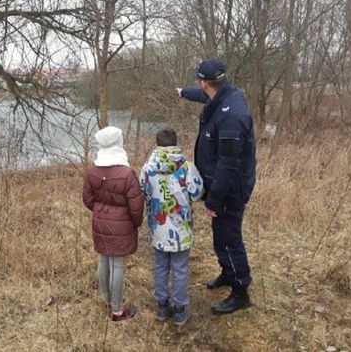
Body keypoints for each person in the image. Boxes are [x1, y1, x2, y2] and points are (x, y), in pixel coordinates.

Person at [177, 57, 256, 314]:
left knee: (228, 238)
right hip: (223, 187)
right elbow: (201, 96)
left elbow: (228, 165)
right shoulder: (224, 94)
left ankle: (240, 290)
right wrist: (182, 93)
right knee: (221, 235)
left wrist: (214, 200)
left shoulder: (232, 116)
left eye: (198, 84)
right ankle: (227, 273)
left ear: (205, 83)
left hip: (230, 190)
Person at [139, 127, 203, 326]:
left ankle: (162, 305)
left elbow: (141, 190)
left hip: (158, 228)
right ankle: (180, 310)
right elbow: (197, 193)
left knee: (160, 266)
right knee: (180, 268)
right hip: (181, 229)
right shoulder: (186, 167)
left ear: (157, 144)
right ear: (176, 143)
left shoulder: (148, 168)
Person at [82, 126, 144, 321]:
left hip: (100, 221)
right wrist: (136, 222)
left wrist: (100, 211)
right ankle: (117, 311)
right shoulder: (127, 173)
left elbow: (87, 198)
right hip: (122, 223)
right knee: (116, 264)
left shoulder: (93, 170)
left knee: (103, 260)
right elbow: (136, 204)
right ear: (119, 143)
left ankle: (107, 300)